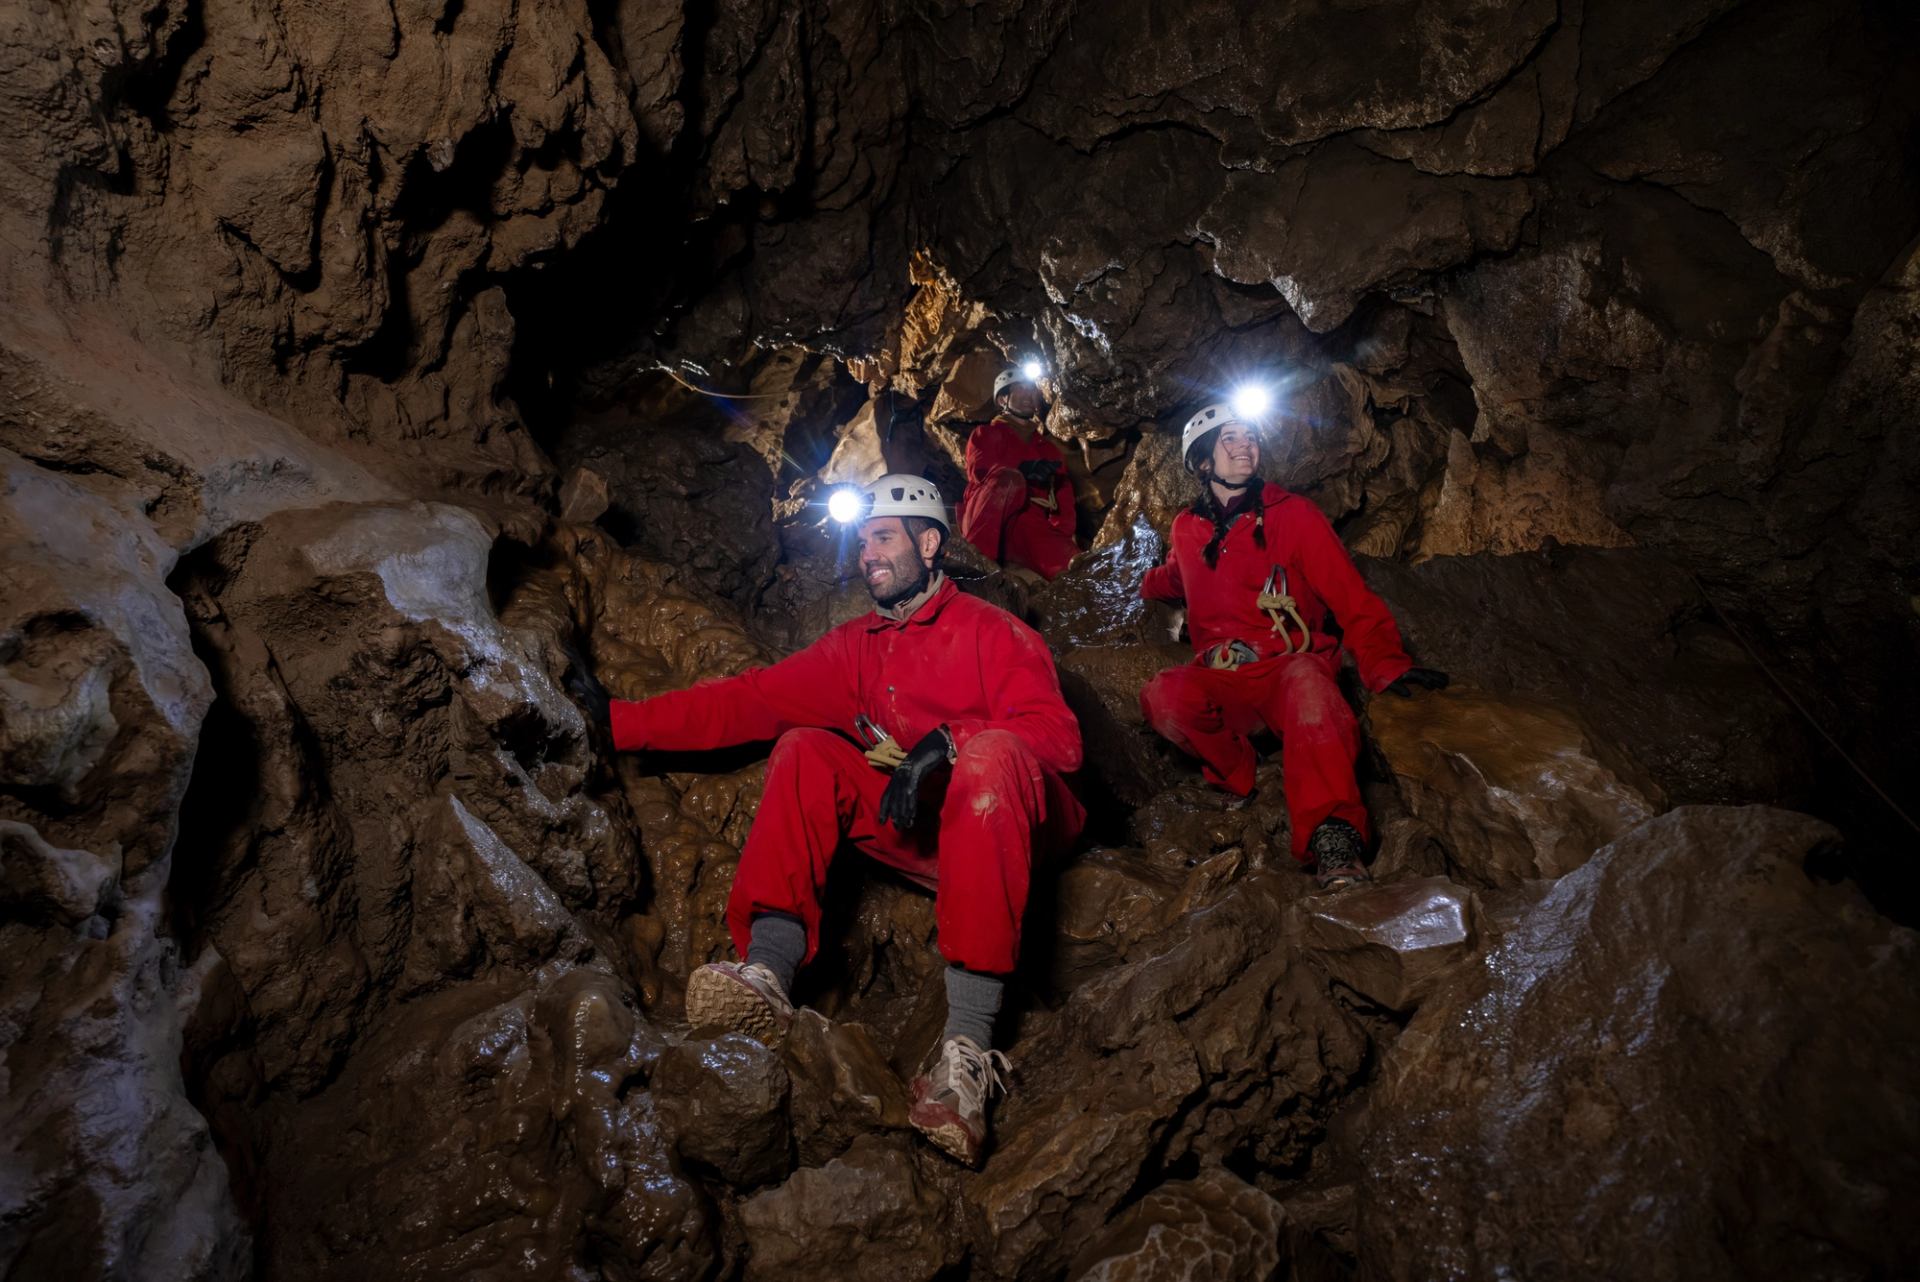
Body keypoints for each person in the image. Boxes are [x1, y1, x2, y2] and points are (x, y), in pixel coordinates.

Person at [569, 473, 1084, 1166]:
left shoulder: (995, 633)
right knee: (805, 748)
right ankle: (769, 970)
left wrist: (949, 743)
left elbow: (1059, 741)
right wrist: (617, 722)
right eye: (861, 541)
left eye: (883, 538)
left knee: (991, 757)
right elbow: (748, 702)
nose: (867, 553)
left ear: (929, 544)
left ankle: (966, 1052)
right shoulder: (856, 647)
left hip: (1011, 829)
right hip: (925, 837)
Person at [1137, 402, 1449, 889]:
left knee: (1309, 686)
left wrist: (1386, 664)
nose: (1247, 445)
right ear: (1202, 462)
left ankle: (1334, 836)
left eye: (1250, 437)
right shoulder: (1186, 527)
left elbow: (1350, 596)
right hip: (1223, 677)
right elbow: (1178, 574)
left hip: (1287, 667)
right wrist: (1141, 583)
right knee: (1163, 695)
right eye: (1231, 439)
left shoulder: (1294, 516)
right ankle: (1241, 773)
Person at [957, 366, 1081, 580]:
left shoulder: (1048, 450)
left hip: (1027, 525)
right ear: (1002, 400)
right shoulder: (985, 434)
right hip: (988, 519)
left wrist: (1061, 538)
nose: (1028, 395)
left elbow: (1063, 499)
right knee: (1008, 479)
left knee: (1076, 567)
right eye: (1021, 390)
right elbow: (981, 473)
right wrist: (1023, 469)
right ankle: (976, 567)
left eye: (1032, 391)